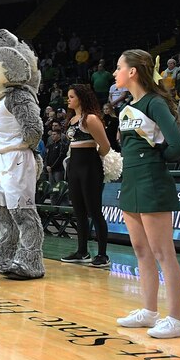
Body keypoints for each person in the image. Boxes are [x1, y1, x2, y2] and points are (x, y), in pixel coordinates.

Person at [113, 49, 180, 339]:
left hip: (151, 179)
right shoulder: (126, 107)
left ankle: (177, 319)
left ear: (133, 71)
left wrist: (155, 159)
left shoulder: (155, 103)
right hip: (130, 180)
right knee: (141, 250)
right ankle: (149, 311)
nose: (116, 72)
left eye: (119, 67)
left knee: (163, 252)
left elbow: (177, 147)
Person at [60, 85, 113, 268]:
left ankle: (103, 254)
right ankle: (82, 251)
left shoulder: (91, 118)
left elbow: (105, 146)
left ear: (81, 98)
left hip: (90, 165)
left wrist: (94, 160)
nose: (69, 100)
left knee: (95, 211)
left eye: (72, 96)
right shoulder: (72, 119)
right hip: (74, 165)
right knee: (79, 210)